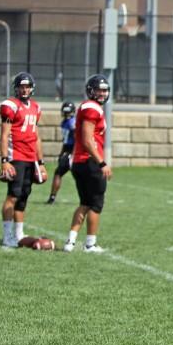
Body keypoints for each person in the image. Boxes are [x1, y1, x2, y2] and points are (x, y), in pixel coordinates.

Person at [63, 75, 112, 253]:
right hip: (90, 162)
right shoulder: (92, 108)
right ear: (90, 90)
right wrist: (102, 162)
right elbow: (87, 138)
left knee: (84, 202)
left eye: (105, 90)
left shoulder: (87, 106)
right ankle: (90, 244)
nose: (102, 93)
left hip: (79, 162)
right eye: (99, 90)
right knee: (95, 204)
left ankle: (70, 241)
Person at [0, 72, 46, 247]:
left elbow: (36, 137)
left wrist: (40, 163)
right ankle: (6, 236)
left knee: (24, 196)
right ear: (16, 88)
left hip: (30, 158)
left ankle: (18, 233)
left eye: (27, 86)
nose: (24, 89)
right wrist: (5, 160)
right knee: (13, 195)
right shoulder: (11, 105)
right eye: (21, 86)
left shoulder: (35, 107)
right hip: (16, 156)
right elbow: (4, 135)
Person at [47, 101, 77, 204]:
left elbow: (74, 138)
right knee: (61, 174)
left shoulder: (67, 123)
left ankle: (52, 197)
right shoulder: (70, 122)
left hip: (71, 151)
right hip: (71, 151)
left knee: (58, 174)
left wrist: (68, 154)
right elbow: (70, 139)